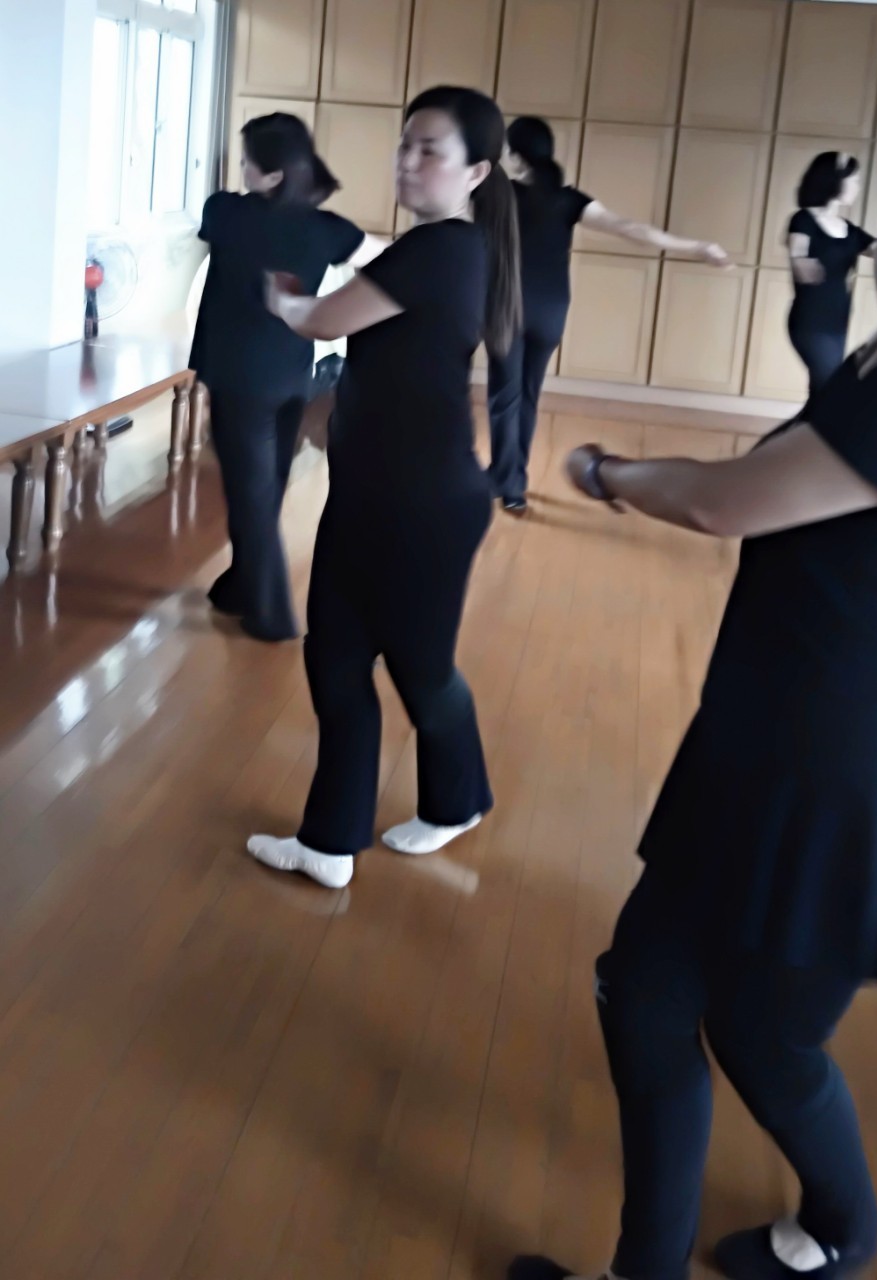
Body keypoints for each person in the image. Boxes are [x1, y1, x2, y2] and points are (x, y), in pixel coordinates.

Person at [509, 107, 877, 1280]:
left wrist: (604, 468)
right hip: (761, 748)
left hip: (840, 782)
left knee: (765, 1039)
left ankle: (843, 1229)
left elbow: (723, 502)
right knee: (643, 992)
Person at [247, 85, 522, 889]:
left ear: (475, 172)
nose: (408, 161)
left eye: (429, 149)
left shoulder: (439, 250)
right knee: (336, 656)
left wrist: (282, 298)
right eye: (405, 144)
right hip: (377, 495)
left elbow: (321, 322)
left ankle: (457, 800)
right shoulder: (437, 250)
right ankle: (330, 842)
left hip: (423, 506)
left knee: (420, 669)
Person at [190, 112, 383, 642]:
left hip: (239, 380)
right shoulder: (329, 228)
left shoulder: (224, 211)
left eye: (247, 161)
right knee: (265, 486)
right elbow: (389, 263)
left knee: (250, 493)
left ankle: (272, 614)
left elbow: (220, 235)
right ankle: (241, 585)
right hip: (295, 376)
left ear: (273, 175)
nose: (241, 168)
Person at [488, 116, 730, 515]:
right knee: (528, 395)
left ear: (514, 155)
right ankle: (513, 481)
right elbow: (629, 227)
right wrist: (696, 247)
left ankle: (508, 483)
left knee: (505, 396)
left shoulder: (500, 193)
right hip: (551, 311)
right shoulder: (569, 200)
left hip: (506, 308)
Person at [786, 151, 875, 399]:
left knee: (820, 393)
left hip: (837, 321)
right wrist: (801, 263)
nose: (858, 187)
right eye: (854, 180)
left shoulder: (850, 231)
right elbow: (797, 252)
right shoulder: (803, 219)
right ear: (835, 180)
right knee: (829, 390)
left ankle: (805, 424)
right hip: (810, 321)